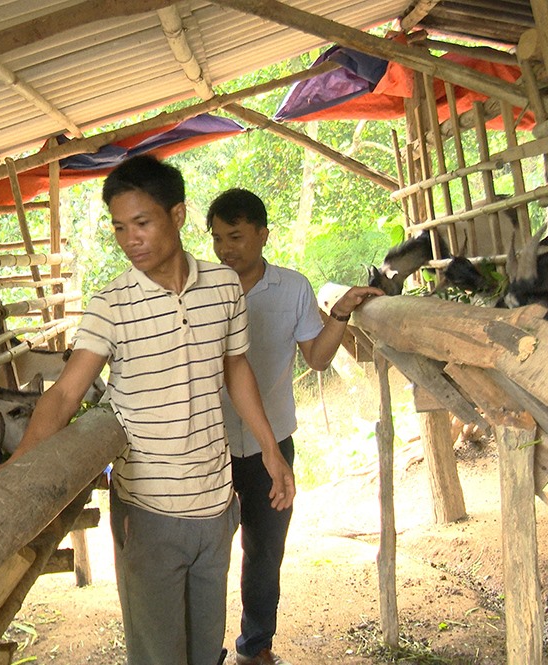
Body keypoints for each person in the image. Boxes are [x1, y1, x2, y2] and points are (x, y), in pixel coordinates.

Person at [0, 157, 296, 665]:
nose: (129, 238)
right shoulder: (111, 304)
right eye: (118, 227)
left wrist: (270, 449)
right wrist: (15, 464)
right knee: (159, 656)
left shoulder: (223, 288)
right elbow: (66, 395)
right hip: (148, 515)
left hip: (217, 506)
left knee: (205, 651)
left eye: (142, 223)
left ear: (177, 215)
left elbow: (236, 367)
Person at [206, 189, 381, 665]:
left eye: (236, 236)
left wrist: (341, 312)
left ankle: (255, 646)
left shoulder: (293, 288)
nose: (226, 249)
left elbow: (318, 358)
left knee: (264, 551)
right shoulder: (200, 291)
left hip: (273, 446)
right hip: (208, 446)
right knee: (206, 553)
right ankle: (203, 651)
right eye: (218, 238)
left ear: (263, 234)